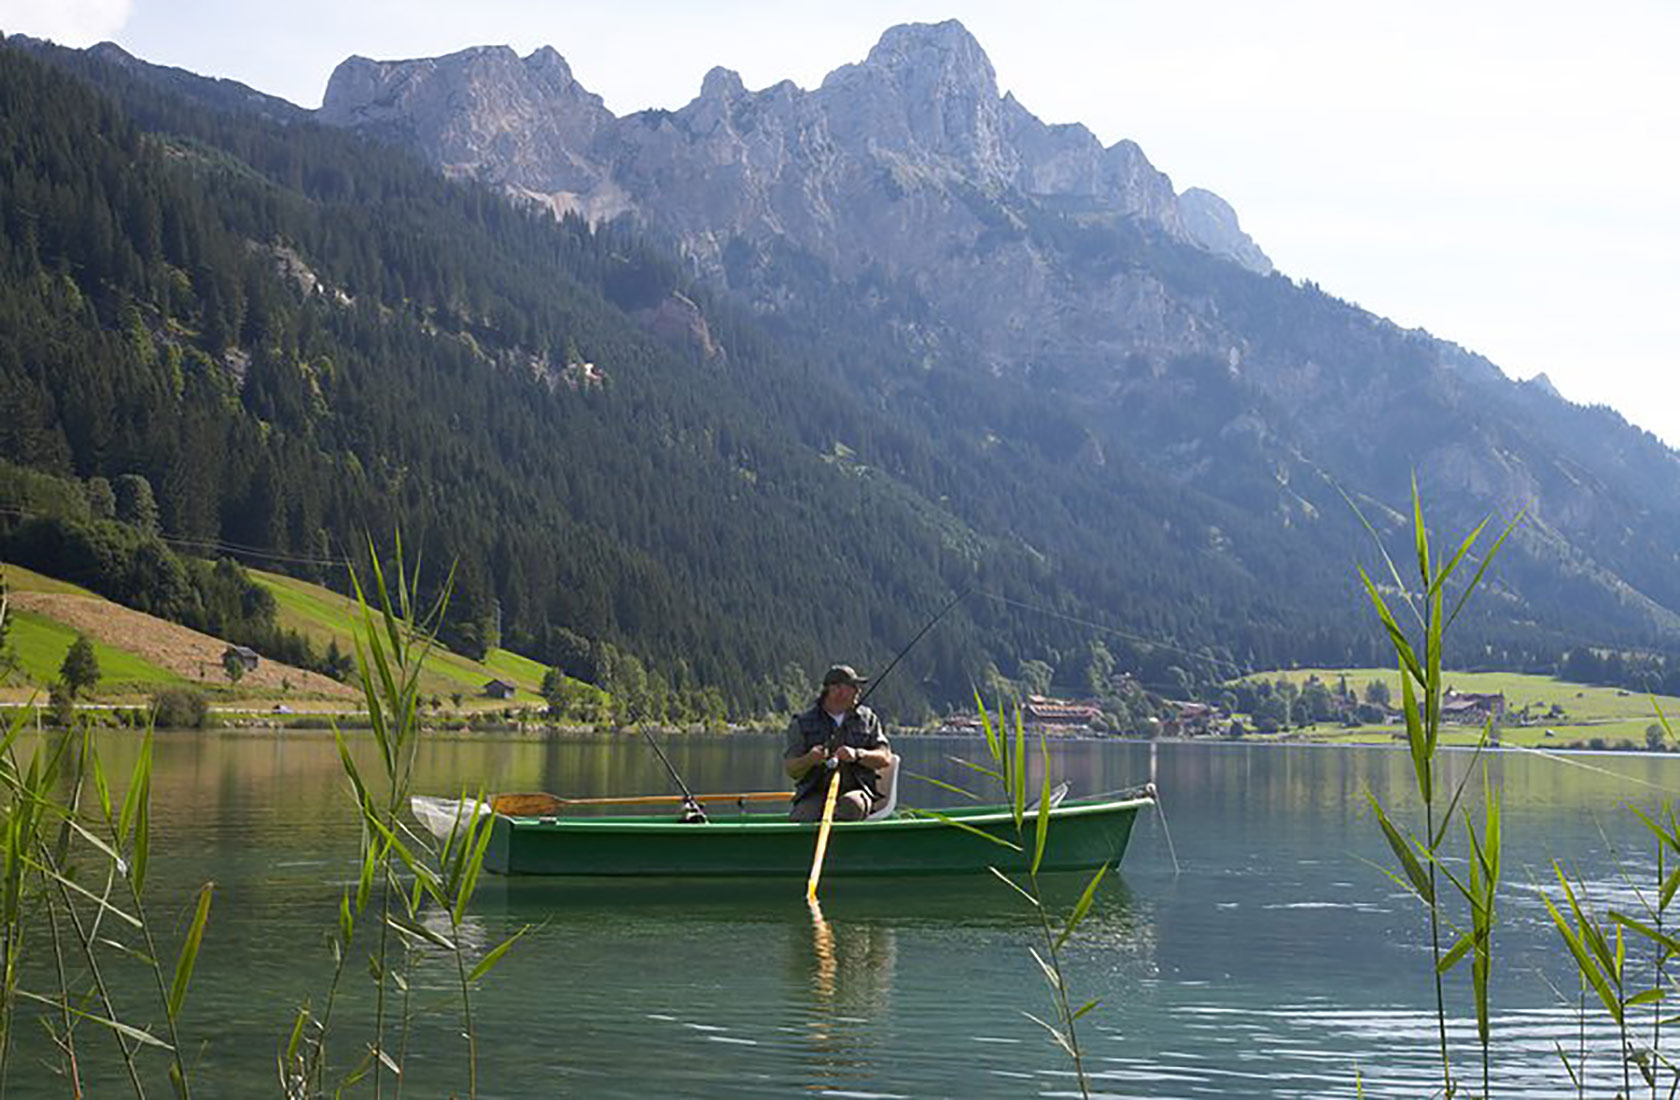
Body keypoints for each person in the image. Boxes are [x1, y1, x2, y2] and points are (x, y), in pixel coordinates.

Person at [785, 664, 892, 822]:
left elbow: (885, 758)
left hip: (857, 789)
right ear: (834, 689)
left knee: (851, 805)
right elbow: (791, 769)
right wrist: (809, 759)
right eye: (853, 686)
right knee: (802, 816)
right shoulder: (802, 722)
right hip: (815, 792)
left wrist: (857, 754)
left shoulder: (868, 719)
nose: (858, 691)